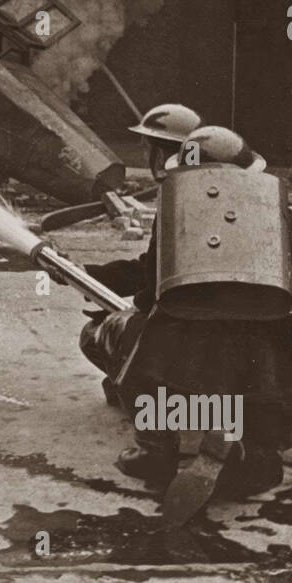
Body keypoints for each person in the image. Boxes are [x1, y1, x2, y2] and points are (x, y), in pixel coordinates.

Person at [108, 126, 292, 496]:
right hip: (264, 360)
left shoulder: (176, 211)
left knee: (139, 348)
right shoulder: (280, 213)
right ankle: (254, 455)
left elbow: (151, 292)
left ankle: (156, 450)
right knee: (258, 410)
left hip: (180, 354)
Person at [79, 103, 201, 408]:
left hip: (183, 339)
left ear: (160, 156)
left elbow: (149, 280)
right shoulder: (214, 196)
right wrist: (87, 274)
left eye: (150, 149)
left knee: (96, 333)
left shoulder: (178, 201)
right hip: (221, 342)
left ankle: (146, 398)